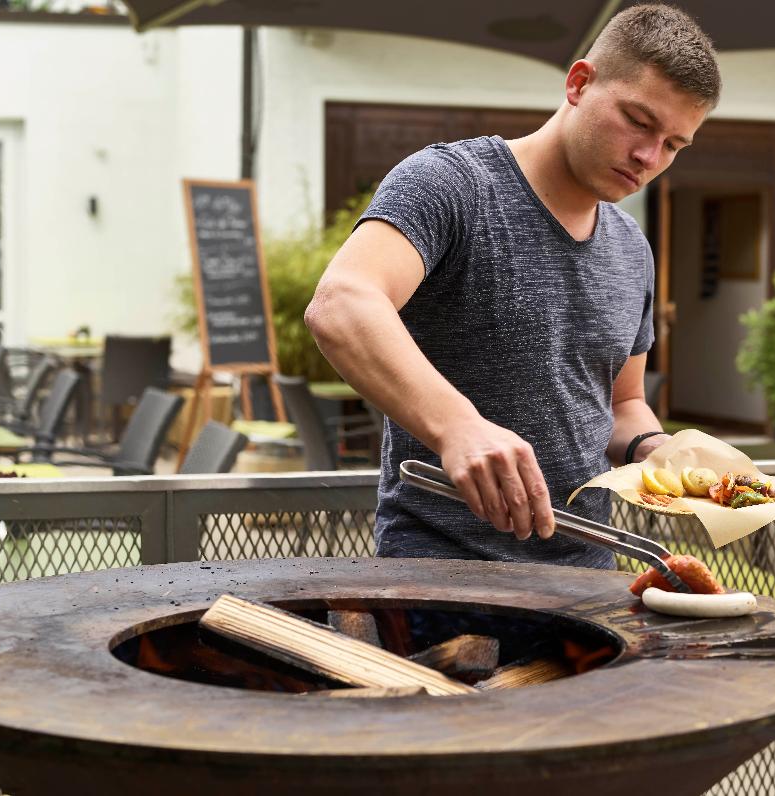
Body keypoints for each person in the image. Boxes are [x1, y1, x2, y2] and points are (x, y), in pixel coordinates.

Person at [305, 4, 721, 567]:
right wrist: (458, 427)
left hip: (587, 570)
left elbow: (622, 403)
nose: (650, 157)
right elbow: (342, 303)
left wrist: (655, 449)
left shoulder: (633, 248)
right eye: (639, 121)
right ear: (579, 84)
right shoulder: (449, 184)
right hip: (439, 568)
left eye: (674, 144)